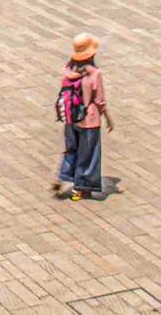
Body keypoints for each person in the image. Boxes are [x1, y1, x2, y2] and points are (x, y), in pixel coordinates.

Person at [53, 33, 112, 201]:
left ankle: (64, 176)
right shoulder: (94, 73)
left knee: (71, 149)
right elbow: (99, 100)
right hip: (89, 120)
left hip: (71, 118)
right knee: (88, 154)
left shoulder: (68, 69)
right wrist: (108, 118)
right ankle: (81, 188)